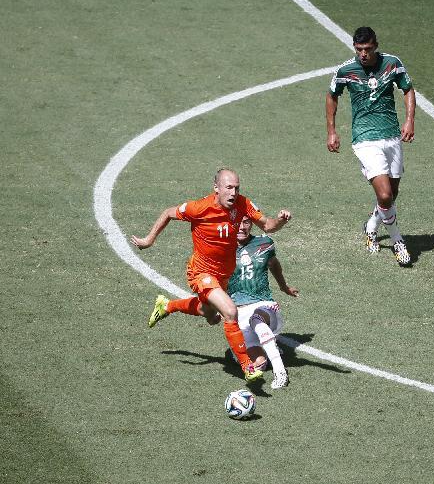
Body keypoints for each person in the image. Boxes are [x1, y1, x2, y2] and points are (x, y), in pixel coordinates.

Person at [131, 168, 291, 381]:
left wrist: (281, 220)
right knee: (230, 311)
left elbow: (268, 226)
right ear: (216, 188)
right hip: (201, 272)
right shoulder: (200, 208)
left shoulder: (243, 203)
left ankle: (167, 306)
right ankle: (247, 367)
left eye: (236, 188)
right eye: (229, 188)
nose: (234, 193)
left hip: (223, 275)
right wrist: (149, 239)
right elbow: (169, 212)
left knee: (210, 315)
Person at [326, 26, 415, 266]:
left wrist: (409, 120)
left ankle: (371, 226)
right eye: (358, 49)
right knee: (385, 195)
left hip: (391, 135)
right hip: (365, 139)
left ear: (375, 45)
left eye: (366, 49)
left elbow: (407, 89)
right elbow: (332, 95)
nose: (362, 54)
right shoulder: (346, 70)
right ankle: (397, 240)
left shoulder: (392, 63)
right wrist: (332, 131)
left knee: (391, 195)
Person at [228, 216, 299, 390]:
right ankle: (245, 350)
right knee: (259, 365)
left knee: (257, 319)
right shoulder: (220, 248)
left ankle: (280, 372)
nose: (242, 227)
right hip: (238, 316)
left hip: (264, 306)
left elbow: (274, 264)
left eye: (246, 222)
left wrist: (284, 287)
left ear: (252, 224)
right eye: (238, 222)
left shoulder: (264, 243)